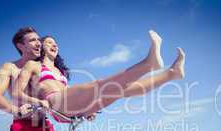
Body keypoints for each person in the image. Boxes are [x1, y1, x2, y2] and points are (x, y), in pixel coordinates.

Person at [13, 30, 185, 118]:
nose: (54, 45)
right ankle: (149, 64)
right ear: (41, 47)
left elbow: (72, 94)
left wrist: (88, 106)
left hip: (71, 110)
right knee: (102, 84)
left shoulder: (60, 72)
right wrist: (38, 102)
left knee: (121, 90)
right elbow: (16, 93)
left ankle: (171, 73)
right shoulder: (33, 65)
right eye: (49, 42)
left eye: (56, 43)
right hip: (55, 104)